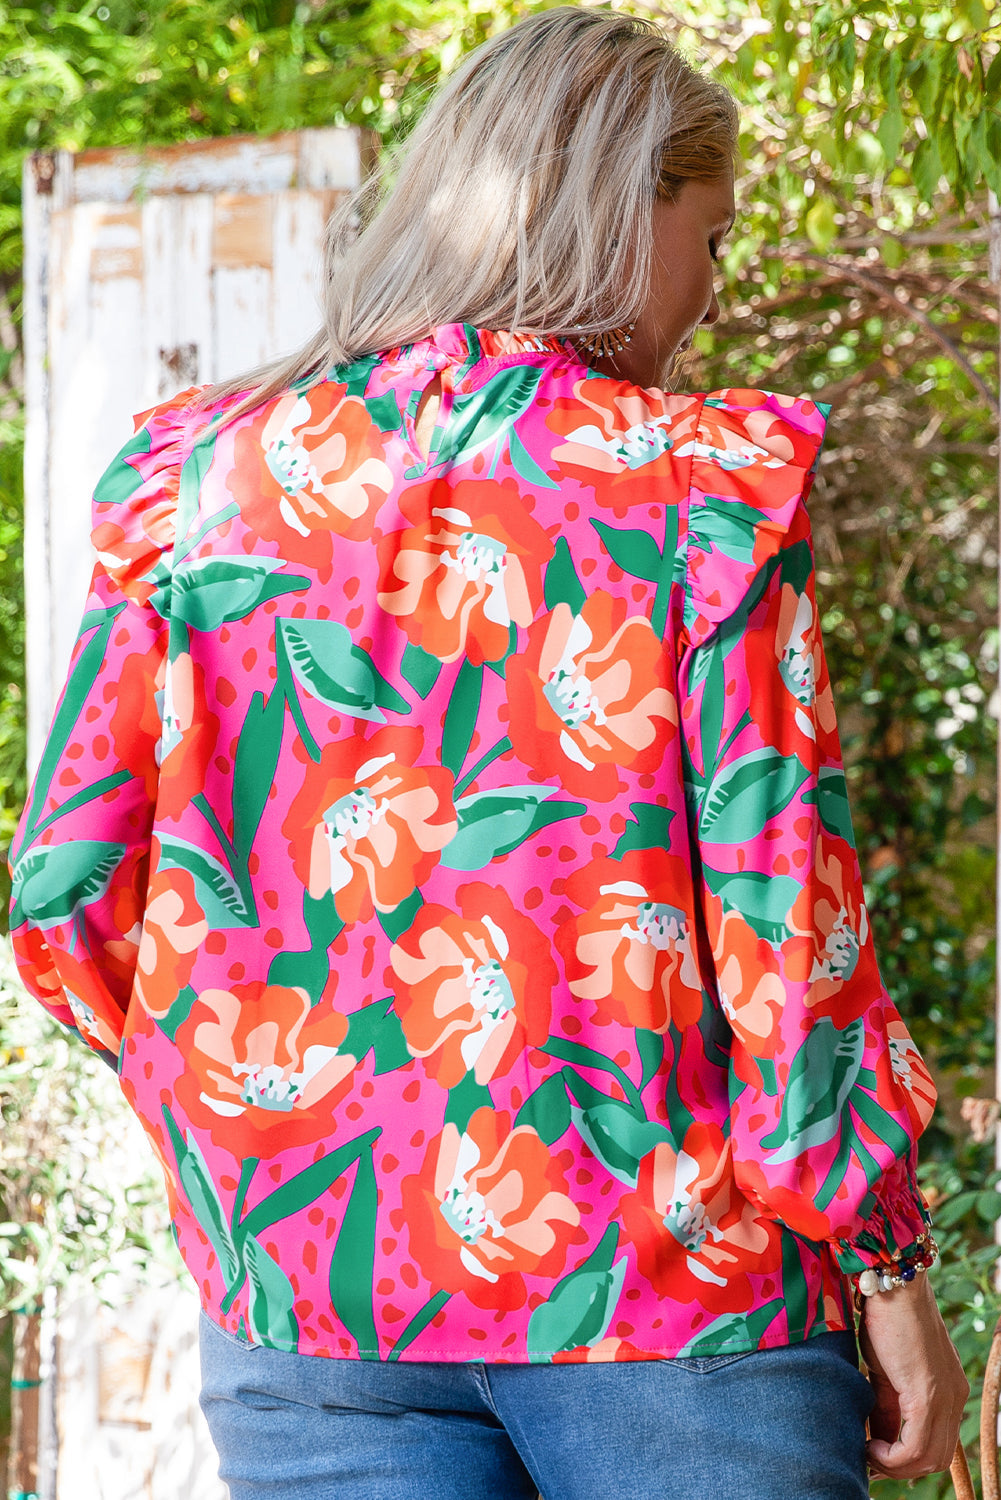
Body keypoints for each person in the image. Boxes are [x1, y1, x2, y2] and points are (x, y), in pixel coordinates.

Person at [9, 8, 968, 1498]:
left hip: (312, 1310)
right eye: (710, 236)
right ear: (622, 209)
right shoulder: (696, 494)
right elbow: (790, 937)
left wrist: (254, 1134)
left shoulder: (193, 481)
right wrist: (887, 1265)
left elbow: (65, 893)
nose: (712, 292)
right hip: (674, 1305)